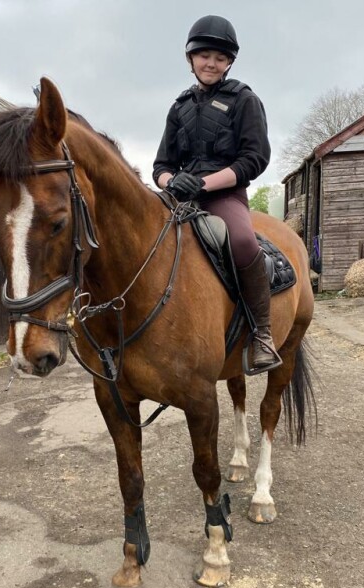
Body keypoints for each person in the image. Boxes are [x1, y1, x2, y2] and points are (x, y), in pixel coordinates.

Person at [152, 14, 282, 374]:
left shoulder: (244, 100)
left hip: (223, 195)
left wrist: (204, 184)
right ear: (190, 58)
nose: (211, 63)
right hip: (179, 196)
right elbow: (160, 165)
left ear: (229, 63)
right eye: (204, 55)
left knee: (241, 241)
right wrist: (169, 182)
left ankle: (262, 334)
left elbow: (255, 158)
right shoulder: (178, 107)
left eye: (220, 58)